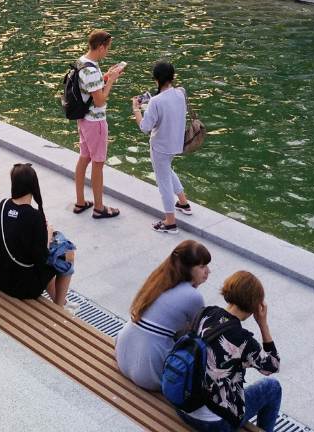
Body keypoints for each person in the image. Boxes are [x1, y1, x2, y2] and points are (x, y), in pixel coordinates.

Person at [175, 271, 281, 432]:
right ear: (254, 306)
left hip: (183, 406)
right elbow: (272, 366)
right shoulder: (243, 340)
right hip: (216, 424)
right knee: (273, 387)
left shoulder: (205, 313)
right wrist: (263, 324)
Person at [114, 240, 211, 391]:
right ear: (187, 268)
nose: (208, 271)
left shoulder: (158, 281)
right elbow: (201, 334)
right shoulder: (193, 296)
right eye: (202, 266)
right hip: (149, 374)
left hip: (122, 356)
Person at [0, 163, 75, 306]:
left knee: (34, 258)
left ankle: (61, 301)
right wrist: (48, 233)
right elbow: (42, 258)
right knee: (68, 252)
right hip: (21, 287)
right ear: (33, 185)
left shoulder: (3, 204)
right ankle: (60, 307)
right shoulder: (34, 216)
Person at [131, 60, 193, 232]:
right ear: (172, 77)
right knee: (167, 170)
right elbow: (168, 104)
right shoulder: (181, 93)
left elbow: (145, 127)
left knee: (163, 183)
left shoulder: (155, 102)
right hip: (176, 143)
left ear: (156, 79)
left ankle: (170, 222)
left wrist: (136, 109)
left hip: (160, 147)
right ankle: (183, 203)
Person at [72, 29, 126, 219]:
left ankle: (80, 202)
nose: (107, 52)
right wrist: (111, 81)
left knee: (84, 158)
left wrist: (105, 77)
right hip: (95, 122)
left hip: (83, 119)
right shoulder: (92, 70)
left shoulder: (81, 62)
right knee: (98, 163)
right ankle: (99, 208)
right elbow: (100, 101)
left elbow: (89, 88)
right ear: (101, 47)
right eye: (107, 48)